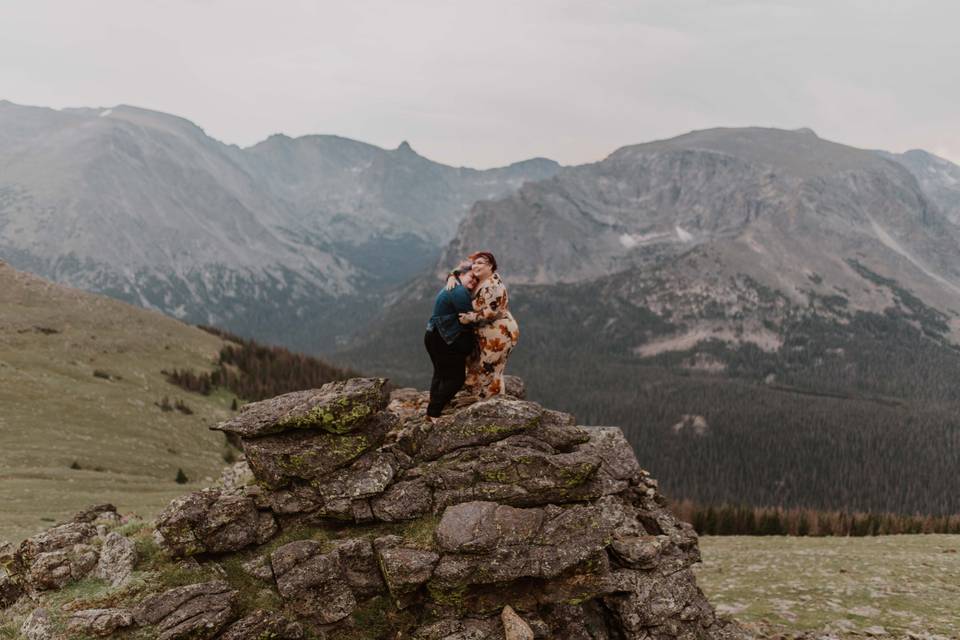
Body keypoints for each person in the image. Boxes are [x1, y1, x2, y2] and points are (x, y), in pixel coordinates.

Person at [451, 251, 519, 399]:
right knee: (477, 367)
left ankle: (493, 407)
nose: (475, 266)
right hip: (485, 332)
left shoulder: (492, 285)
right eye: (474, 263)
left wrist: (469, 318)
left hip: (500, 332)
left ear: (491, 266)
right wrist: (452, 276)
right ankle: (478, 399)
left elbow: (491, 311)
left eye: (480, 263)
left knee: (490, 369)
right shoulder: (480, 278)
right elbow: (459, 270)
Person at [424, 269, 479, 420]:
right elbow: (468, 319)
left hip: (432, 334)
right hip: (443, 338)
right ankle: (433, 411)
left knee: (441, 373)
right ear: (461, 276)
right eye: (471, 277)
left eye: (476, 280)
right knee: (456, 379)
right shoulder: (459, 291)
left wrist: (451, 275)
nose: (474, 281)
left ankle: (434, 407)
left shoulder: (453, 285)